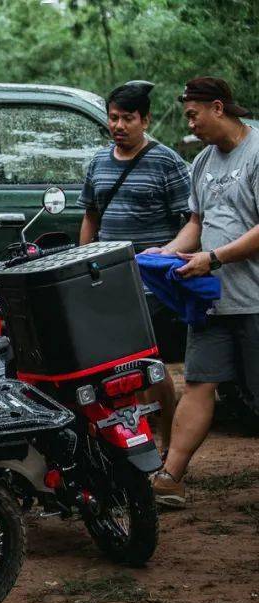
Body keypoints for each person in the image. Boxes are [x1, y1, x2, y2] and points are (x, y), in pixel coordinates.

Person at [144, 77, 259, 508]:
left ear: (218, 107)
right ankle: (170, 477)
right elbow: (196, 223)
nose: (190, 124)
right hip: (210, 299)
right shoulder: (203, 162)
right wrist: (167, 252)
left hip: (255, 299)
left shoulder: (257, 152)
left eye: (193, 115)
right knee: (197, 383)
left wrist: (214, 258)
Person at [78, 80, 191, 451]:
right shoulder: (98, 162)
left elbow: (193, 220)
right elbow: (91, 216)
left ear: (145, 120)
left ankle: (169, 447)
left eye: (128, 118)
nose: (119, 125)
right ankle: (138, 446)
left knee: (148, 364)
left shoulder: (167, 161)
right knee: (120, 368)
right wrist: (82, 264)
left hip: (152, 284)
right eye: (114, 118)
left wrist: (167, 256)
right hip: (108, 281)